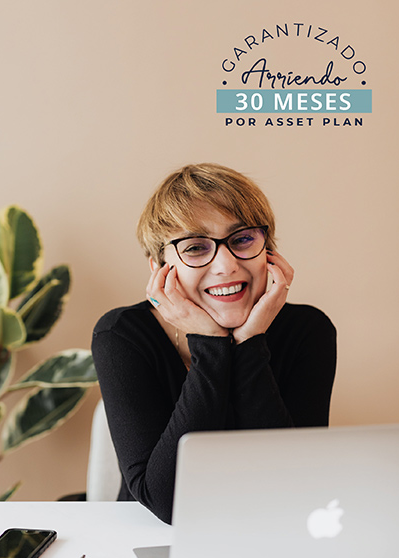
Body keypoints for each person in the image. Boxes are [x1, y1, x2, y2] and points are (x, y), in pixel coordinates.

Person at [91, 163, 337, 525]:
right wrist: (209, 344)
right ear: (160, 267)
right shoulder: (122, 335)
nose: (225, 265)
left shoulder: (308, 330)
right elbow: (167, 503)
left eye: (241, 240)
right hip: (150, 539)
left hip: (270, 531)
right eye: (194, 247)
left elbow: (295, 485)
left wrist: (249, 343)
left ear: (268, 250)